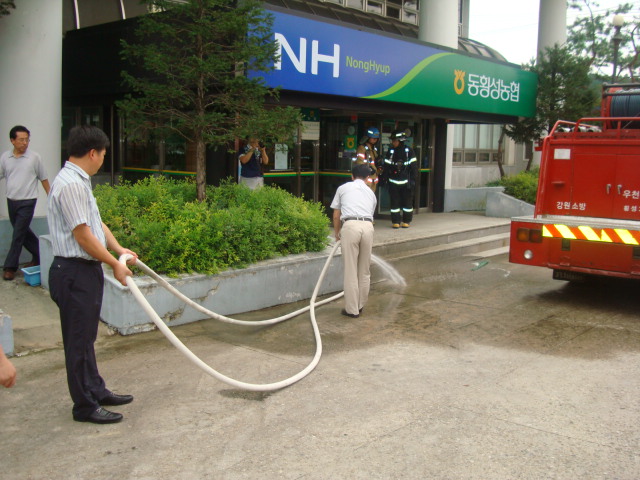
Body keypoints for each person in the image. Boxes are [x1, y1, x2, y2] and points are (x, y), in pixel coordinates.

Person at [47, 125, 138, 425]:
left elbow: (96, 225)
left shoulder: (78, 181)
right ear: (92, 153)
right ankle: (84, 406)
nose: (103, 159)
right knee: (78, 341)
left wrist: (118, 248)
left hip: (84, 271)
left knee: (86, 337)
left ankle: (96, 390)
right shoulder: (70, 185)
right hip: (73, 271)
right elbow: (83, 236)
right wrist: (114, 263)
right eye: (103, 154)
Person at [0, 125, 50, 281]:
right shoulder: (5, 158)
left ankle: (10, 267)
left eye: (27, 140)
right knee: (22, 232)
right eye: (21, 140)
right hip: (11, 200)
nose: (25, 143)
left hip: (28, 201)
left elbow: (43, 178)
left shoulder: (34, 158)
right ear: (12, 140)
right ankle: (40, 254)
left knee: (17, 235)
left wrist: (51, 196)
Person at [331, 163, 377, 319]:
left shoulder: (343, 188)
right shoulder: (371, 193)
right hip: (368, 227)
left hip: (350, 226)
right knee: (364, 270)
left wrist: (337, 233)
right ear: (367, 178)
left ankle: (352, 310)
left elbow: (336, 215)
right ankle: (360, 305)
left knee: (350, 270)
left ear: (352, 176)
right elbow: (370, 213)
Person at [381, 129, 418, 229]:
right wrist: (384, 179)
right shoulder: (391, 151)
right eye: (392, 140)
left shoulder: (409, 151)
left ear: (400, 141)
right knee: (394, 203)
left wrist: (413, 181)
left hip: (406, 183)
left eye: (394, 140)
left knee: (407, 203)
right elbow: (386, 166)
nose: (393, 142)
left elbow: (414, 167)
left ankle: (406, 221)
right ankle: (396, 221)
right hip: (393, 183)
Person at [354, 127, 381, 192]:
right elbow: (359, 163)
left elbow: (374, 162)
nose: (375, 140)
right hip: (365, 180)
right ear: (367, 138)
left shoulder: (374, 149)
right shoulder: (362, 148)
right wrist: (368, 169)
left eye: (376, 139)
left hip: (373, 180)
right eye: (373, 138)